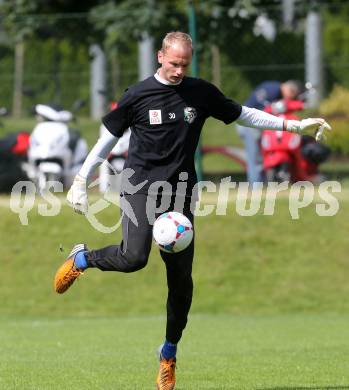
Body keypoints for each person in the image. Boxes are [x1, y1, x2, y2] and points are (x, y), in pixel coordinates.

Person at [53, 32, 331, 390]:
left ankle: (168, 354)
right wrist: (80, 181)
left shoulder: (199, 92)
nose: (178, 71)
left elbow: (243, 115)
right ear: (160, 57)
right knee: (134, 257)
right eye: (173, 63)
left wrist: (293, 125)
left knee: (181, 283)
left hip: (181, 195)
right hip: (139, 187)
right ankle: (82, 260)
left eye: (184, 64)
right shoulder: (137, 95)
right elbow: (106, 141)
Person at [236, 79, 303, 184]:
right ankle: (256, 188)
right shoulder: (275, 90)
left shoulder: (273, 87)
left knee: (257, 157)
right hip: (248, 124)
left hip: (250, 123)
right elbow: (266, 109)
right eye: (292, 96)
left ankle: (259, 185)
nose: (289, 99)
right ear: (290, 91)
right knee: (255, 158)